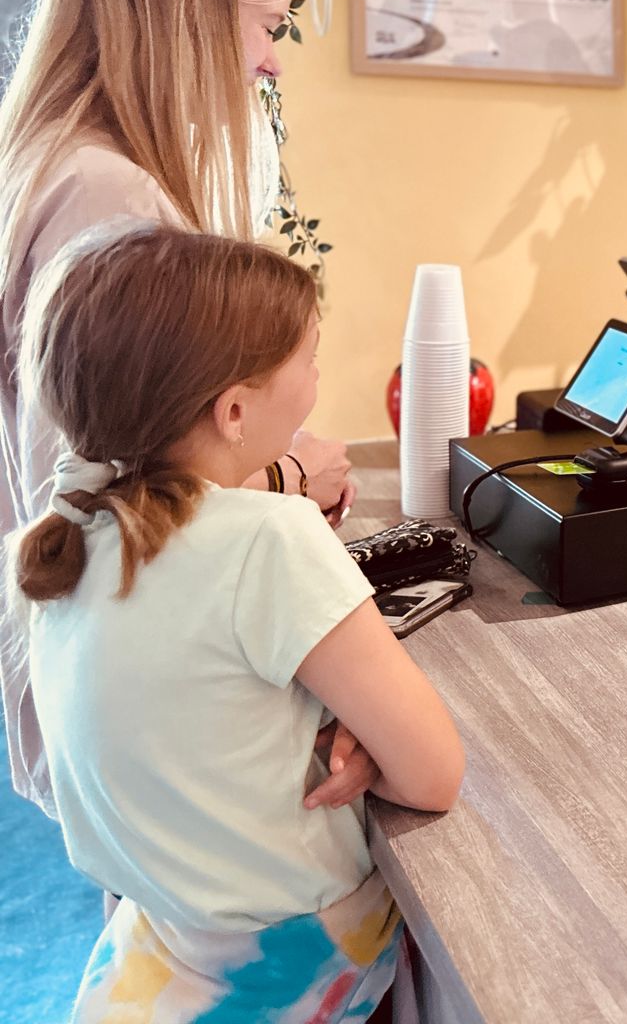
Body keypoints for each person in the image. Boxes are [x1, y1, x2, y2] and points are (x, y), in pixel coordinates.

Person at [13, 224, 464, 1020]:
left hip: (162, 929)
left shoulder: (74, 534)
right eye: (310, 358)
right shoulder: (269, 538)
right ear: (232, 411)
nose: (318, 376)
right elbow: (433, 773)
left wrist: (319, 721)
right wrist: (352, 735)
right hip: (300, 951)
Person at [0, 0, 361, 814]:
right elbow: (105, 508)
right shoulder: (105, 194)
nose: (271, 61)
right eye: (268, 23)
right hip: (140, 710)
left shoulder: (59, 165)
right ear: (185, 14)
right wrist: (290, 478)